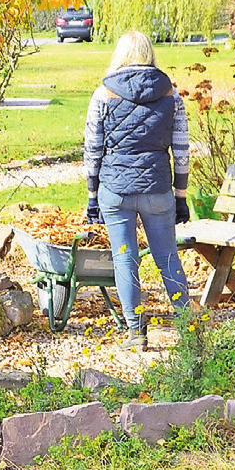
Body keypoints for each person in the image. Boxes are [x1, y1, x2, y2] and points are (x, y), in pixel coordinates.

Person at [82, 30, 191, 350]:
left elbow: (92, 148)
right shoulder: (171, 94)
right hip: (158, 189)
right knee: (167, 258)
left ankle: (135, 333)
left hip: (115, 191)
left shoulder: (104, 93)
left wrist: (92, 194)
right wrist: (180, 194)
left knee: (125, 260)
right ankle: (188, 328)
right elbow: (182, 150)